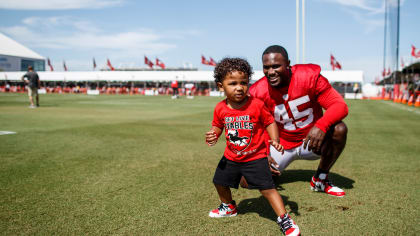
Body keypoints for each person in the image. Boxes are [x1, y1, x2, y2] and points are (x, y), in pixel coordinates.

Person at [205, 57, 300, 236]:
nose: (239, 87)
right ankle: (229, 206)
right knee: (219, 182)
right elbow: (218, 125)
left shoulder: (256, 104)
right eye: (232, 83)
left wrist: (275, 140)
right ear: (220, 86)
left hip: (255, 157)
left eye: (243, 82)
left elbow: (270, 122)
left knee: (268, 189)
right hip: (231, 156)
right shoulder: (220, 108)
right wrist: (214, 135)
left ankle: (284, 219)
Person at [247, 45, 348, 197]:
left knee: (339, 129)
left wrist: (321, 125)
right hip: (280, 144)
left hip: (312, 141)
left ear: (288, 64)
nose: (271, 72)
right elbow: (256, 128)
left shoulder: (308, 76)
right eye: (266, 67)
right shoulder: (258, 91)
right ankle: (273, 175)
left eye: (276, 66)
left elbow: (340, 105)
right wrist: (263, 153)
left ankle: (321, 179)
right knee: (247, 181)